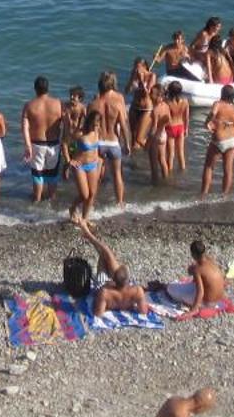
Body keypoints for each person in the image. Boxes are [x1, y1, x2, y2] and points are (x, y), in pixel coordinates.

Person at [70, 214, 149, 314]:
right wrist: (129, 306)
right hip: (122, 294)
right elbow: (143, 311)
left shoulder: (105, 292)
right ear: (127, 280)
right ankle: (89, 234)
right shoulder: (138, 291)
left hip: (106, 287)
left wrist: (105, 290)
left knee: (104, 255)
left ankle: (88, 233)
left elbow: (98, 313)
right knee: (106, 254)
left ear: (113, 279)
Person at [22, 75, 63, 203]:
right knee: (52, 174)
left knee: (38, 174)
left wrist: (28, 146)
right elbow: (66, 124)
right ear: (48, 88)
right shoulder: (58, 103)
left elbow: (24, 127)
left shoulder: (29, 105)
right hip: (54, 144)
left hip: (37, 145)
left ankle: (37, 200)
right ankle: (52, 200)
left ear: (35, 89)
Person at [93, 71, 129, 207]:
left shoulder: (94, 104)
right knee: (117, 175)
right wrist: (127, 144)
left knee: (95, 176)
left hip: (99, 142)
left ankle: (91, 202)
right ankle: (120, 203)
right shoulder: (118, 102)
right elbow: (124, 125)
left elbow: (88, 128)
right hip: (114, 142)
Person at [200, 85, 234, 196]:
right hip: (232, 140)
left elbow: (213, 113)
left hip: (219, 139)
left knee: (209, 167)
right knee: (228, 170)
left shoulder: (218, 104)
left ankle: (203, 195)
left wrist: (206, 123)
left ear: (222, 94)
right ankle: (224, 195)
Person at [184, 239, 229, 308]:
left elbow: (200, 291)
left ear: (193, 254)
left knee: (174, 291)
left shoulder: (198, 269)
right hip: (219, 298)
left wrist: (194, 309)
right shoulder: (210, 260)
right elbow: (222, 278)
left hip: (209, 303)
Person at [162, 81, 190, 180]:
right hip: (181, 127)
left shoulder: (167, 102)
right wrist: (186, 129)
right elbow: (186, 117)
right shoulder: (185, 101)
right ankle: (183, 174)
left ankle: (169, 177)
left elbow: (166, 118)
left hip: (170, 128)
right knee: (181, 153)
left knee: (170, 155)